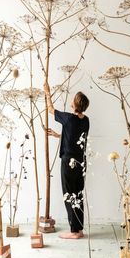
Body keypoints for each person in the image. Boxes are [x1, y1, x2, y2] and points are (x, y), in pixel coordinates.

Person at [43, 81, 90, 239]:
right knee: (78, 194)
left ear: (75, 104)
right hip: (81, 163)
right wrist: (58, 135)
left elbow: (50, 109)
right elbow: (75, 137)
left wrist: (47, 92)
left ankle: (74, 232)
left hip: (68, 162)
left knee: (69, 195)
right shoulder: (86, 120)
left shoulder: (68, 118)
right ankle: (80, 229)